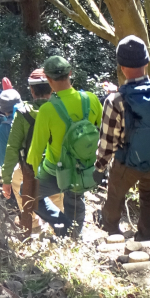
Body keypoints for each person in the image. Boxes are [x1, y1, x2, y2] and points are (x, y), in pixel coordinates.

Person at [94, 35, 150, 239]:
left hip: (125, 163)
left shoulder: (115, 100)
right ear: (146, 62)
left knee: (115, 197)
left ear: (121, 67)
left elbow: (108, 141)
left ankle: (111, 232)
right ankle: (147, 235)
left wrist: (100, 166)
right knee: (149, 197)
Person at [26, 55, 102, 237]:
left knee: (28, 195)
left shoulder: (47, 110)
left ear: (48, 79)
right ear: (70, 73)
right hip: (85, 168)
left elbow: (36, 150)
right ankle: (73, 236)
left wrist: (32, 175)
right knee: (76, 199)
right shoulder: (91, 99)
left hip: (55, 171)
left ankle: (63, 225)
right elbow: (100, 132)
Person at [1, 69, 53, 234]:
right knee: (58, 198)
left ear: (31, 90)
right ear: (52, 88)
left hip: (29, 168)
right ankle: (58, 236)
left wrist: (6, 179)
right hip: (56, 166)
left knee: (21, 186)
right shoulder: (59, 110)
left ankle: (32, 224)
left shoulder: (23, 113)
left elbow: (12, 148)